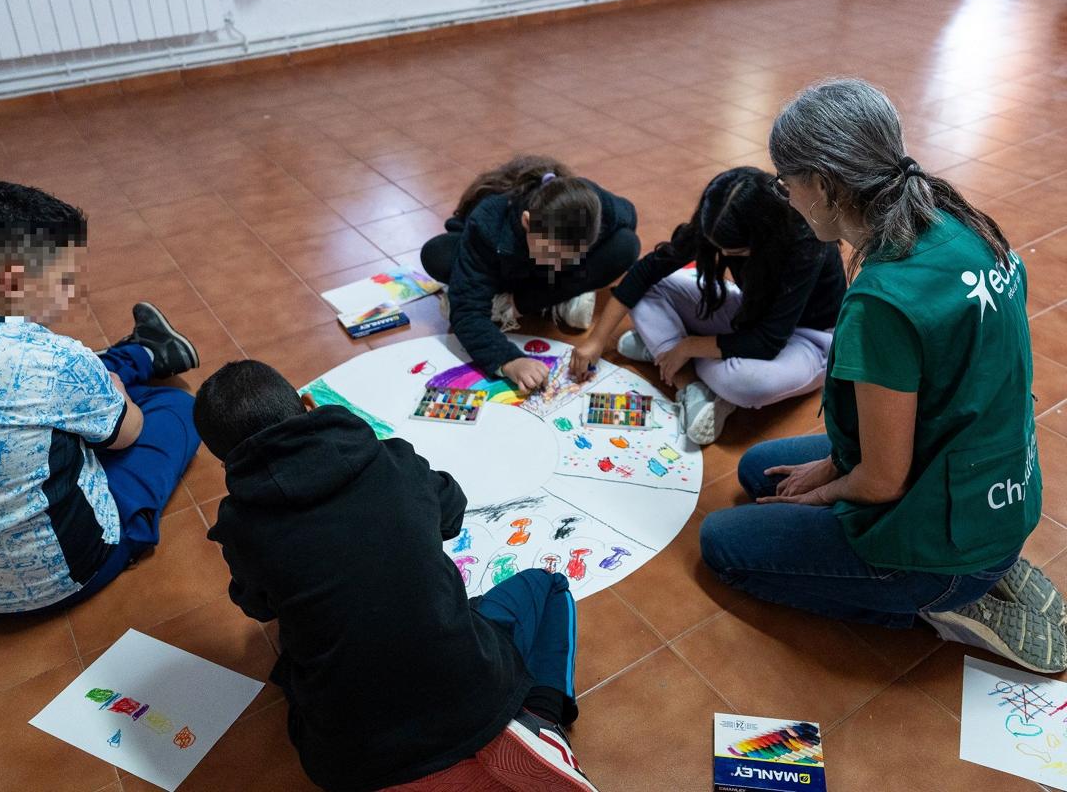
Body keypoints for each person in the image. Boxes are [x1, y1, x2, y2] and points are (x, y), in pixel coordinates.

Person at [699, 79, 1064, 673]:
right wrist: (834, 466)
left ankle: (941, 605)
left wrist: (826, 493)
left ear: (822, 184)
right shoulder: (957, 221)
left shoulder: (882, 303)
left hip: (944, 536)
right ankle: (981, 563)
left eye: (787, 183)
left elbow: (883, 483)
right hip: (991, 481)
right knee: (756, 470)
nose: (787, 199)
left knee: (722, 544)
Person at [195, 360, 596, 791]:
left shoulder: (240, 524)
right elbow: (452, 510)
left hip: (351, 756)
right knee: (548, 587)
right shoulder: (390, 459)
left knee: (297, 668)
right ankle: (540, 718)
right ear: (306, 406)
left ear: (226, 460)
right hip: (476, 697)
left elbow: (256, 604)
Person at [0, 181, 201, 614]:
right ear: (11, 280)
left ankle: (138, 354)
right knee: (173, 409)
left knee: (75, 385)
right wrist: (113, 397)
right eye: (62, 281)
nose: (71, 295)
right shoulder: (50, 358)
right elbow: (128, 432)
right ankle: (139, 357)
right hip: (52, 583)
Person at [570, 167, 846, 445]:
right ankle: (688, 382)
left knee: (748, 384)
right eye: (720, 248)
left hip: (808, 339)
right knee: (648, 288)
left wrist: (687, 346)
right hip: (749, 311)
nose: (725, 256)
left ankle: (665, 351)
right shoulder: (718, 219)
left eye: (736, 252)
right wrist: (595, 341)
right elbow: (646, 271)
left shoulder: (807, 243)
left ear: (764, 235)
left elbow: (768, 340)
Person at [421, 155, 640, 391]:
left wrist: (531, 296)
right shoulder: (488, 223)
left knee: (626, 245)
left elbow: (629, 216)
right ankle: (523, 300)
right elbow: (466, 310)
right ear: (527, 222)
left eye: (570, 256)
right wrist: (509, 360)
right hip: (501, 265)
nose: (558, 265)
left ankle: (535, 300)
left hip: (536, 277)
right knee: (438, 255)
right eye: (552, 253)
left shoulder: (595, 204)